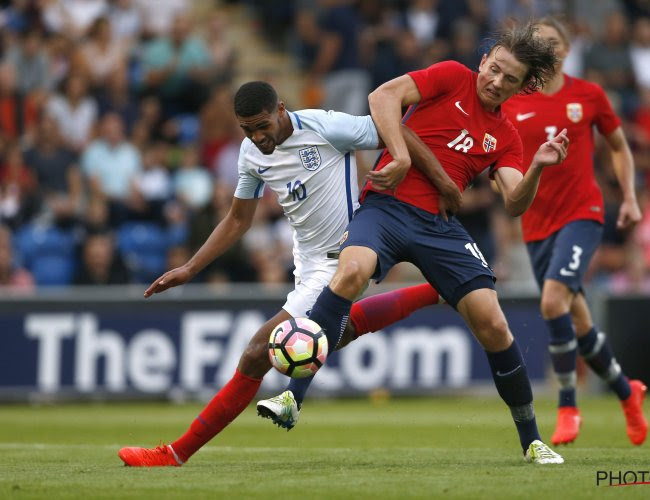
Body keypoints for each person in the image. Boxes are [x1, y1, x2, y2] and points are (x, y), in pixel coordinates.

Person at [117, 80, 460, 466]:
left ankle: (176, 453)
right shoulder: (250, 154)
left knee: (256, 352)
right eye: (247, 129)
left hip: (344, 258)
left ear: (281, 109)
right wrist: (190, 267)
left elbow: (397, 129)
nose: (258, 137)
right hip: (307, 261)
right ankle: (435, 293)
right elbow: (237, 219)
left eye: (263, 125)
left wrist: (443, 182)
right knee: (338, 332)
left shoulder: (326, 126)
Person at [271, 24, 569, 464]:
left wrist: (538, 168)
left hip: (439, 227)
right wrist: (402, 154)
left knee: (493, 324)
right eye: (495, 69)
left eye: (511, 79)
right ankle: (291, 398)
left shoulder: (506, 136)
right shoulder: (451, 76)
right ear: (484, 61)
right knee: (350, 272)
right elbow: (381, 98)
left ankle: (532, 440)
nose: (497, 82)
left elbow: (514, 202)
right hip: (387, 207)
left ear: (523, 87)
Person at [501, 17, 648, 446]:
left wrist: (631, 196)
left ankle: (568, 406)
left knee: (551, 301)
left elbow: (619, 146)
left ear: (564, 51)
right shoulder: (513, 101)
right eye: (537, 44)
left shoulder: (589, 95)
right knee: (577, 319)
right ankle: (627, 392)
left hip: (583, 213)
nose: (545, 49)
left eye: (551, 43)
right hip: (535, 224)